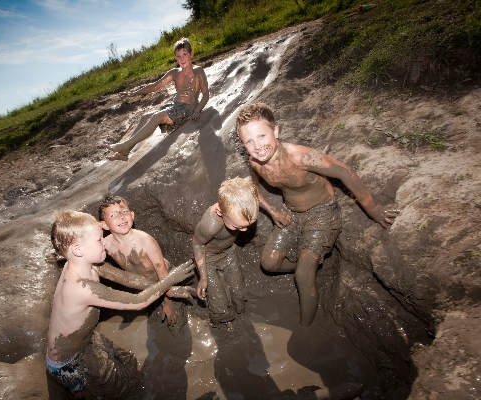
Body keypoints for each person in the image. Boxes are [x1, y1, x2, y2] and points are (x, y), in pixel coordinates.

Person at [236, 103, 400, 326]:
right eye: (249, 141)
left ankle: (306, 328)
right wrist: (273, 212)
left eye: (262, 136)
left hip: (323, 212)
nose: (257, 146)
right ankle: (310, 267)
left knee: (303, 276)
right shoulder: (256, 163)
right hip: (291, 213)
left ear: (276, 131)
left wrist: (375, 210)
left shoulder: (300, 157)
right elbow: (252, 187)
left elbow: (344, 172)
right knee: (269, 263)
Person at [46, 210, 194, 399]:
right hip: (70, 362)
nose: (104, 244)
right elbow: (137, 302)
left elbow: (128, 279)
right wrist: (170, 280)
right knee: (122, 392)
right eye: (99, 240)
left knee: (128, 364)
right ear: (78, 249)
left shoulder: (83, 264)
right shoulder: (81, 287)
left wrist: (171, 290)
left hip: (86, 339)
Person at [98, 194, 194, 326]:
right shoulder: (106, 244)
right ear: (104, 225)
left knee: (176, 317)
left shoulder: (145, 241)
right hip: (144, 285)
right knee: (155, 315)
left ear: (132, 215)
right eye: (113, 215)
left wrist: (168, 302)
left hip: (166, 278)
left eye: (124, 211)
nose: (121, 216)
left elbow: (163, 273)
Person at [107, 37, 209, 160]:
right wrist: (133, 93)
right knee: (145, 117)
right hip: (174, 107)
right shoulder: (174, 72)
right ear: (175, 57)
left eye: (184, 54)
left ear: (191, 54)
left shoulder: (198, 71)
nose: (181, 59)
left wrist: (198, 110)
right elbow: (155, 86)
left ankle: (125, 146)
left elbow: (206, 94)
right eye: (178, 56)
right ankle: (125, 152)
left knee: (158, 116)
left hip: (188, 108)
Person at [192, 177, 259, 326]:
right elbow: (197, 244)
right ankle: (221, 321)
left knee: (238, 291)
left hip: (228, 252)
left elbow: (249, 189)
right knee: (218, 301)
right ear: (220, 212)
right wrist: (203, 277)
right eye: (238, 227)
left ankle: (240, 312)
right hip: (208, 258)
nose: (244, 230)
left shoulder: (241, 209)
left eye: (250, 224)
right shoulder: (211, 224)